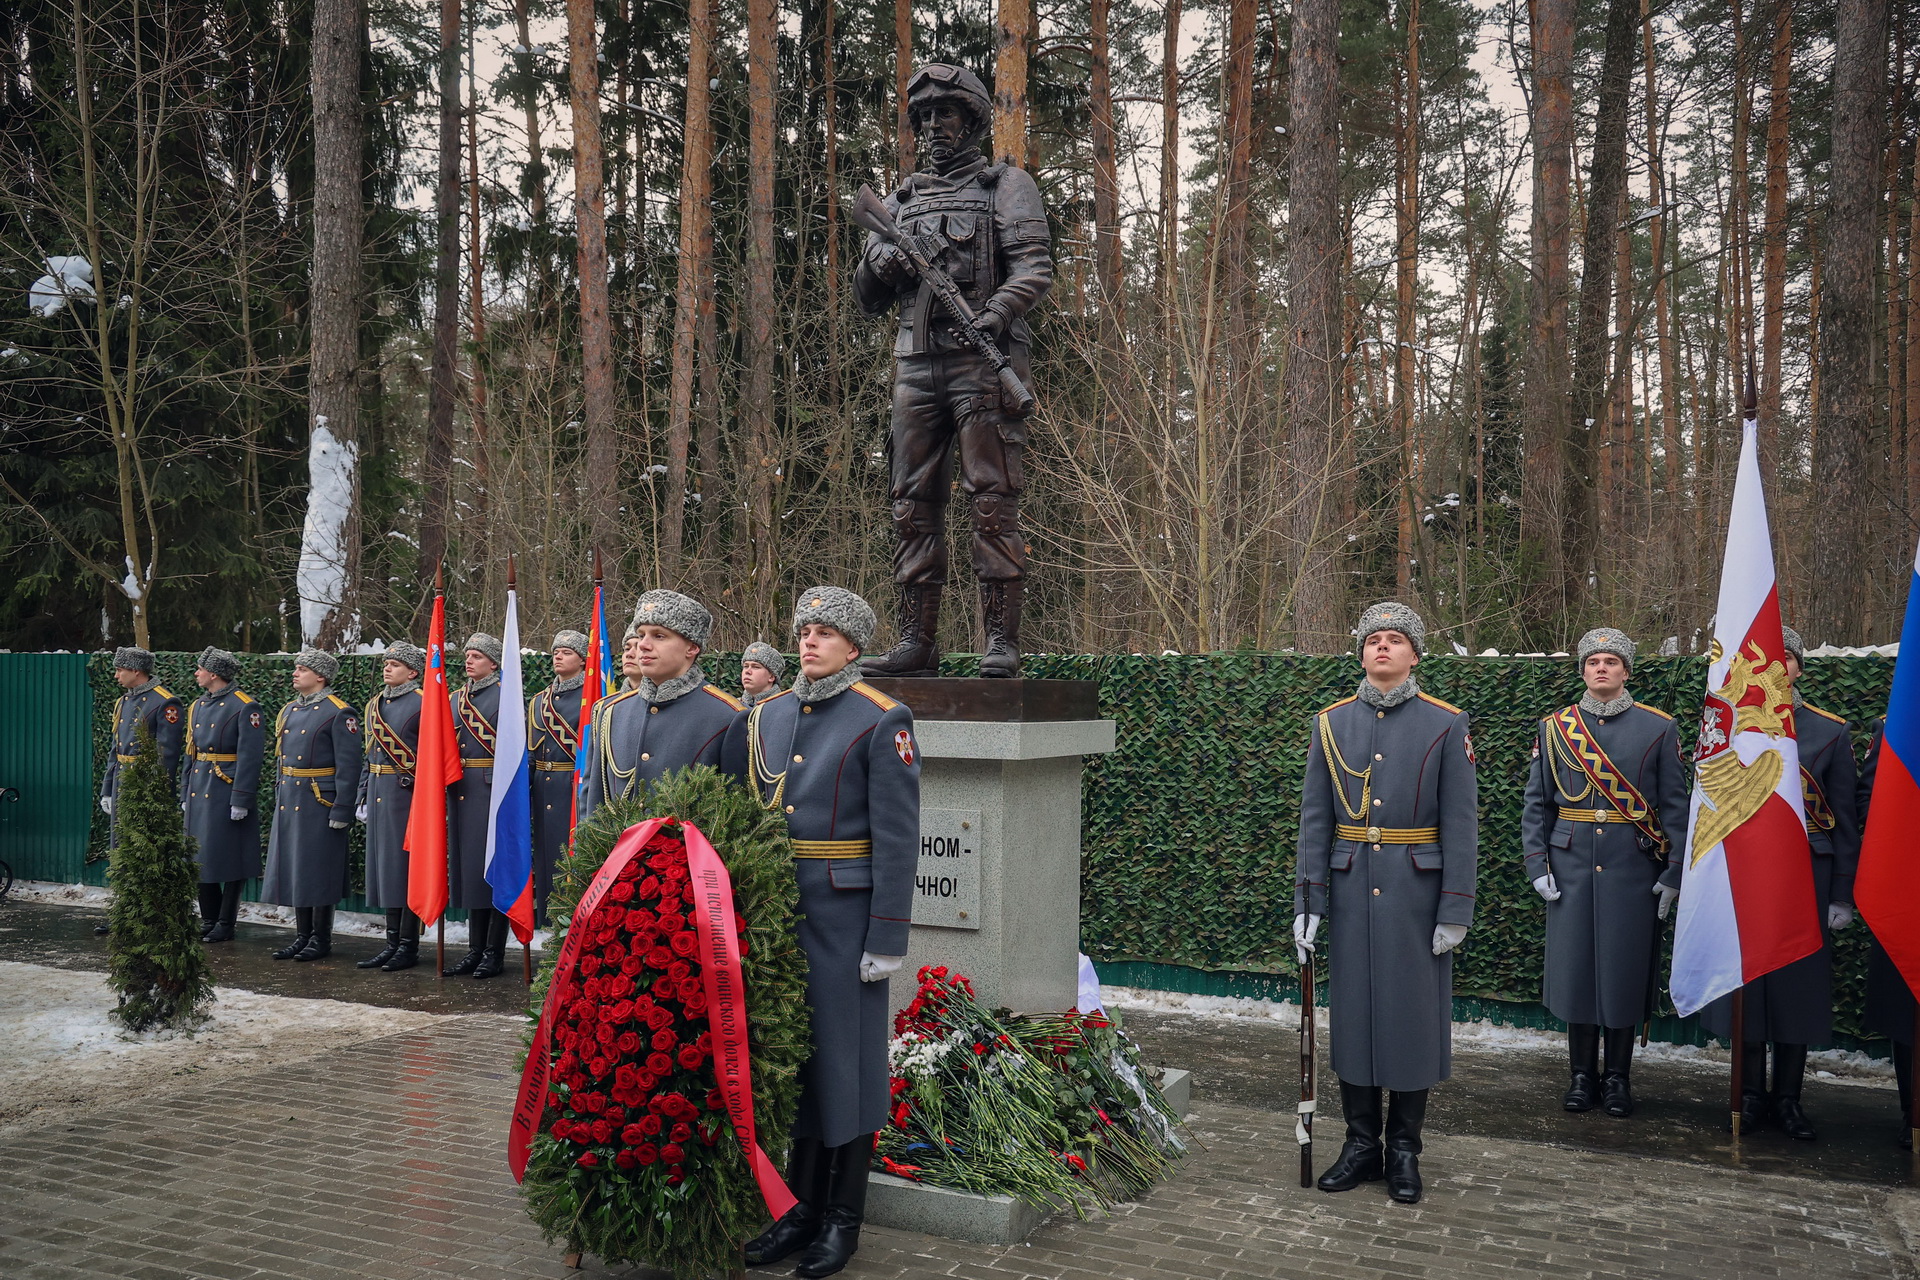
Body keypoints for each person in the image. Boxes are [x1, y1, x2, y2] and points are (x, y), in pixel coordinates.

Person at [727, 587, 918, 1277]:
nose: (809, 641)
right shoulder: (768, 715)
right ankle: (799, 1211)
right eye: (805, 630)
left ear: (854, 647)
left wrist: (887, 935)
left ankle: (843, 1219)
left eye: (826, 633)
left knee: (847, 1069)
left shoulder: (882, 718)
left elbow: (897, 835)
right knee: (797, 1067)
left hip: (843, 922)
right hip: (776, 914)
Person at [855, 63, 1054, 680]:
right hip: (914, 366)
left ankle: (1000, 642)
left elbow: (1034, 268)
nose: (933, 126)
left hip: (981, 365)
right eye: (924, 116)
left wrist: (994, 314)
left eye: (945, 113)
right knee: (910, 506)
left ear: (972, 119)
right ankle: (916, 642)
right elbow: (866, 296)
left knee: (992, 502)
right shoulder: (899, 201)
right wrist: (886, 263)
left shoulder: (1007, 187)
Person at [1293, 601, 1476, 1206]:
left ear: (1415, 655)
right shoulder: (1331, 723)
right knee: (1355, 1020)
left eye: (1395, 639)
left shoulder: (1445, 723)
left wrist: (1455, 908)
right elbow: (1315, 819)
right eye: (1373, 639)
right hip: (1350, 893)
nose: (1382, 647)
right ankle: (1360, 1145)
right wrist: (1309, 899)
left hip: (1416, 897)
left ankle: (1403, 1149)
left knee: (1411, 1022)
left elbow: (1461, 824)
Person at [1520, 628, 1689, 1119]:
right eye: (1593, 661)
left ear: (1626, 671)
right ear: (1582, 671)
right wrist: (1537, 863)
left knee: (1623, 974)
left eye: (1611, 661)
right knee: (1576, 974)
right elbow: (1537, 804)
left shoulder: (1659, 728)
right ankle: (1580, 1076)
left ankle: (1617, 1079)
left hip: (1633, 869)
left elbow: (1675, 809)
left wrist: (1675, 871)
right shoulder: (1555, 728)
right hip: (1570, 866)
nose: (1601, 668)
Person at [1699, 626, 1858, 1138]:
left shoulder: (1829, 732)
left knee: (1796, 990)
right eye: (1766, 656)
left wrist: (1840, 894)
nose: (1775, 666)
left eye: (1785, 657)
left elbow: (1845, 821)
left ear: (1797, 668)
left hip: (1806, 877)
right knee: (1749, 984)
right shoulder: (1729, 728)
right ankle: (1748, 1093)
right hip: (1746, 874)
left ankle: (1788, 1098)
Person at [576, 591, 742, 826]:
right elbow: (593, 806)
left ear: (692, 647)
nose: (643, 645)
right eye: (641, 635)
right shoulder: (611, 713)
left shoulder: (729, 717)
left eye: (659, 636)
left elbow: (738, 820)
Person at [260, 650, 362, 962]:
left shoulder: (339, 713)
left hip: (320, 801)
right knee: (297, 870)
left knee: (318, 871)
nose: (295, 673)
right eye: (297, 668)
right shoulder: (290, 710)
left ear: (320, 676)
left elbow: (349, 766)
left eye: (302, 669)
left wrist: (342, 808)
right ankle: (302, 936)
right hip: (292, 797)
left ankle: (320, 939)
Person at [1858, 714, 1917, 1145]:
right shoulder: (1897, 726)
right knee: (1907, 1004)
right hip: (1910, 887)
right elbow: (1868, 801)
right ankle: (1912, 1110)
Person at [180, 646, 263, 943]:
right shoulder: (198, 705)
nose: (196, 673)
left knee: (231, 859)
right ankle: (209, 918)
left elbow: (250, 757)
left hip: (225, 788)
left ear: (214, 674)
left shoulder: (245, 706)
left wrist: (241, 798)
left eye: (200, 669)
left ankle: (226, 922)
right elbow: (191, 752)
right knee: (200, 855)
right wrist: (185, 790)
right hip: (200, 786)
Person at [354, 643, 426, 972]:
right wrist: (363, 795)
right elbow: (369, 756)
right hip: (379, 791)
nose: (387, 668)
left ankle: (408, 945)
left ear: (412, 672)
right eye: (386, 663)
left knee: (403, 871)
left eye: (395, 664)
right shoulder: (375, 704)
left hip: (406, 796)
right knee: (385, 870)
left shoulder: (423, 703)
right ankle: (392, 943)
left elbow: (431, 757)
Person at [446, 634, 510, 979]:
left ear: (494, 663)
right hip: (461, 790)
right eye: (468, 655)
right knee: (470, 872)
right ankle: (474, 950)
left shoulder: (506, 696)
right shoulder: (455, 699)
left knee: (493, 874)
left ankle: (493, 952)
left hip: (492, 793)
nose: (469, 661)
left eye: (477, 656)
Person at [529, 630, 590, 918]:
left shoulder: (591, 698)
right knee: (545, 858)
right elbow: (531, 751)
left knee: (571, 857)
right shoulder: (539, 701)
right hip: (543, 788)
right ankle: (548, 923)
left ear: (582, 660)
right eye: (556, 652)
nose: (558, 657)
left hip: (573, 788)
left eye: (566, 652)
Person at [741, 641, 787, 707]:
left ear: (771, 676)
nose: (747, 671)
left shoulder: (784, 707)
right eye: (746, 666)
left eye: (755, 667)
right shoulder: (734, 707)